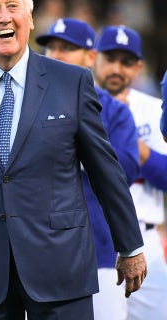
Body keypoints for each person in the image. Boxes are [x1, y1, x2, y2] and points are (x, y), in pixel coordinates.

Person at [0, 0, 147, 318]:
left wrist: (129, 246)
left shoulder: (72, 82)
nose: (5, 17)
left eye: (13, 6)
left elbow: (105, 171)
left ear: (30, 18)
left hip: (61, 266)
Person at [35, 17, 140, 320]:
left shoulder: (115, 110)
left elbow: (127, 171)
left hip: (101, 250)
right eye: (51, 47)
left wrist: (71, 151)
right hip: (42, 253)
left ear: (90, 57)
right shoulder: (27, 105)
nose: (56, 54)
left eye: (67, 48)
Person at [93, 25, 167, 319]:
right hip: (100, 237)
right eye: (110, 58)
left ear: (137, 66)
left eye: (125, 61)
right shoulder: (77, 106)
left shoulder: (154, 109)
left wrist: (131, 143)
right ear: (95, 58)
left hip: (147, 234)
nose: (116, 68)